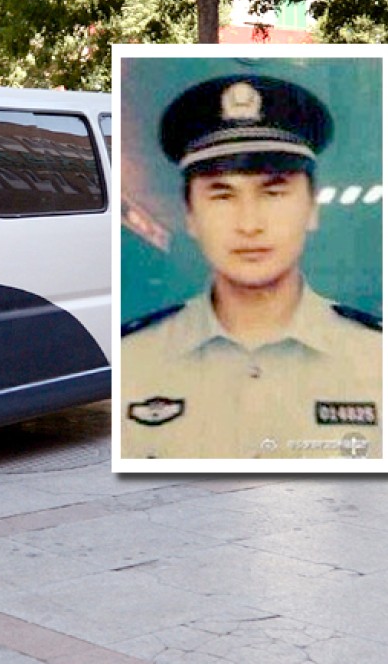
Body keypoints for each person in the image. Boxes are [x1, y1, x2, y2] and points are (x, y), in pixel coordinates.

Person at [121, 74, 382, 459]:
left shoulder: (374, 357)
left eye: (273, 192)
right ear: (190, 215)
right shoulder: (135, 359)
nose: (249, 224)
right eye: (222, 195)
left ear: (311, 208)